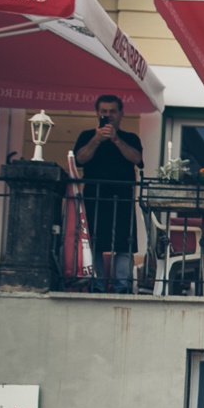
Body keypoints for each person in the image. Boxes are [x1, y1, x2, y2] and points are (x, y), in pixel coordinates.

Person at [73, 94, 143, 293]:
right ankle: (97, 285)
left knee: (125, 243)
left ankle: (123, 287)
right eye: (104, 111)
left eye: (112, 111)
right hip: (94, 196)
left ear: (121, 114)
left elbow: (136, 158)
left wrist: (115, 139)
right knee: (93, 241)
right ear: (97, 113)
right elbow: (80, 159)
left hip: (122, 198)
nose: (108, 115)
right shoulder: (87, 136)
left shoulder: (130, 138)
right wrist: (97, 139)